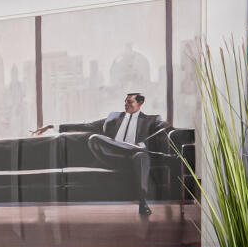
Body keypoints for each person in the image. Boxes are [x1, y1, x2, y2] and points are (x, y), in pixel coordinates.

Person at [33, 92, 170, 217]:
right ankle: (133, 148)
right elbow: (85, 126)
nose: (126, 104)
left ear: (140, 104)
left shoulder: (152, 119)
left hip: (135, 158)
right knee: (95, 139)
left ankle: (142, 202)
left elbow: (164, 130)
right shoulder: (113, 118)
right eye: (125, 102)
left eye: (130, 102)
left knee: (141, 156)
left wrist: (143, 145)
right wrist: (52, 127)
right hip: (112, 157)